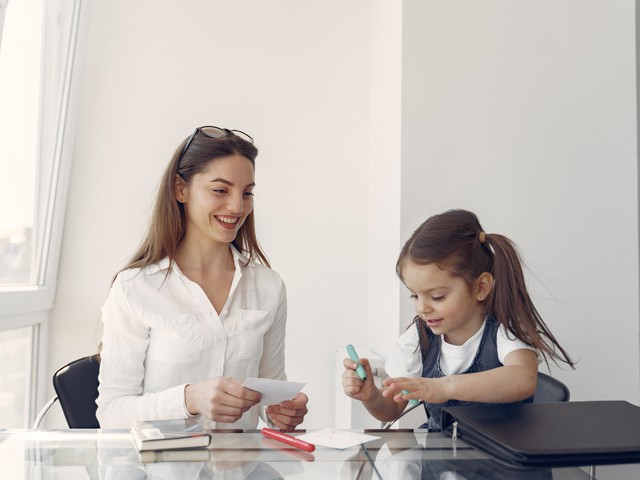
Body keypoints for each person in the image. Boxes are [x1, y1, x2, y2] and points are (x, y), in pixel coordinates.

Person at [96, 125, 308, 431]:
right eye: (220, 190)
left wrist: (279, 412)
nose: (237, 206)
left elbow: (269, 395)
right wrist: (188, 399)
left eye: (247, 192)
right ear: (180, 189)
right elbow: (111, 412)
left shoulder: (269, 286)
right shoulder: (135, 287)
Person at [342, 209, 575, 431]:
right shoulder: (418, 338)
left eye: (437, 296)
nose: (422, 307)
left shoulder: (505, 330)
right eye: (415, 295)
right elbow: (391, 409)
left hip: (502, 465)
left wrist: (446, 387)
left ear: (480, 287)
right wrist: (371, 396)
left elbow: (522, 378)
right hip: (443, 463)